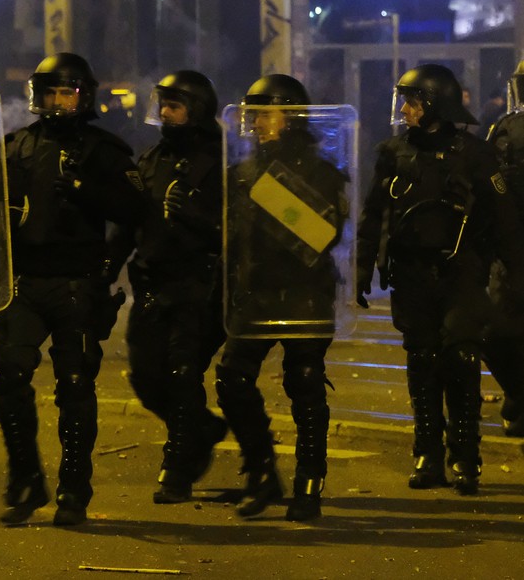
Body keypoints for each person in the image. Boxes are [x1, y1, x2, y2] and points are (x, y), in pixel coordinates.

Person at [0, 52, 145, 526]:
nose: (57, 101)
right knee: (7, 373)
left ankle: (74, 488)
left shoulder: (102, 151)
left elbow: (135, 213)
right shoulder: (15, 147)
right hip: (25, 282)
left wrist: (105, 259)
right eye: (50, 92)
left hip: (77, 284)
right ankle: (26, 477)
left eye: (66, 92)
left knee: (75, 387)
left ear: (85, 96)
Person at [357, 64, 524, 496]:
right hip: (411, 273)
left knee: (463, 358)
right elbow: (374, 214)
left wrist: (517, 269)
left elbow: (504, 220)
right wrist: (360, 268)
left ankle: (465, 457)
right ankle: (428, 455)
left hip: (461, 271)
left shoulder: (474, 154)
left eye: (412, 101)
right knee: (423, 362)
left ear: (435, 105)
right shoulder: (393, 152)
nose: (405, 110)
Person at [216, 74, 349, 522]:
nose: (256, 124)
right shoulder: (240, 172)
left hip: (304, 295)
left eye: (265, 115)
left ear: (291, 118)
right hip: (255, 295)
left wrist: (274, 200)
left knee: (305, 384)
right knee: (233, 379)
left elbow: (322, 235)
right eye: (252, 116)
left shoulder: (320, 172)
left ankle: (309, 482)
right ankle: (261, 471)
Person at [105, 70, 227, 504]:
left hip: (198, 285)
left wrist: (197, 217)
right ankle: (204, 428)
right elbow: (128, 223)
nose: (165, 113)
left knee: (181, 375)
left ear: (195, 110)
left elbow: (237, 230)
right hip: (153, 285)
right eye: (164, 105)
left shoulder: (221, 160)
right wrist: (106, 269)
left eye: (174, 106)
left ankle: (177, 468)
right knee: (145, 377)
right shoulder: (152, 159)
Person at [482, 60, 524, 436]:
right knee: (493, 332)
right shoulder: (504, 130)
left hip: (507, 253)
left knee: (496, 332)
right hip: (508, 252)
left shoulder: (505, 130)